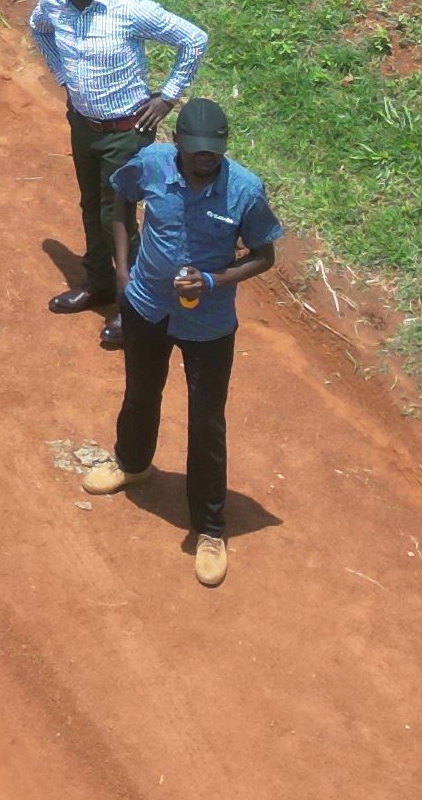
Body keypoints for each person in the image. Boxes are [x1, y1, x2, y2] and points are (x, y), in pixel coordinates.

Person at [79, 95, 282, 588]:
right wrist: (123, 271)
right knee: (140, 392)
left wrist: (213, 281)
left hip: (209, 324)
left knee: (206, 421)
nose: (205, 158)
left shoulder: (245, 192)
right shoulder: (150, 164)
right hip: (146, 306)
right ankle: (131, 463)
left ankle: (210, 528)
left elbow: (265, 255)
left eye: (213, 150)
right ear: (177, 144)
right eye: (196, 150)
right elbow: (122, 200)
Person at [26, 0, 211, 347]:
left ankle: (140, 308)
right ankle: (100, 284)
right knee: (91, 205)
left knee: (120, 221)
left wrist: (167, 96)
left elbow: (193, 39)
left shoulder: (128, 9)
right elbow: (38, 29)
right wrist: (63, 78)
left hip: (126, 133)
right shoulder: (53, 1)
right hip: (83, 125)